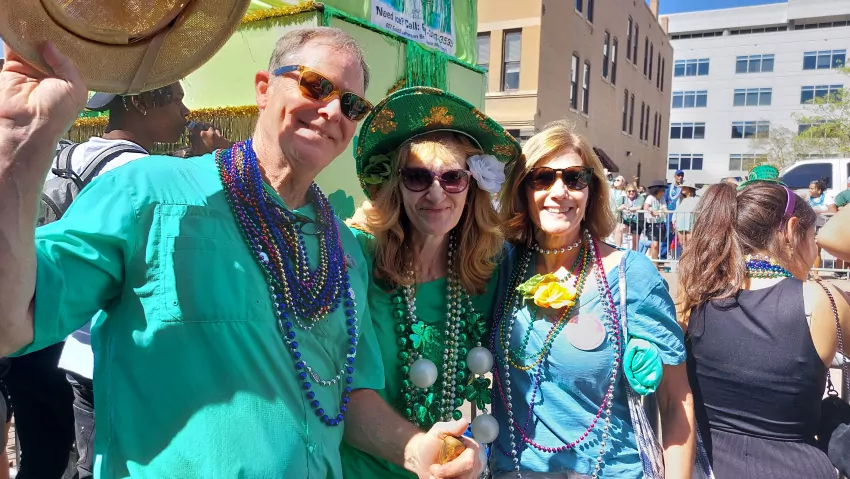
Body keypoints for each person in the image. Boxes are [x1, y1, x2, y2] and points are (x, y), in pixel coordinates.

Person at [0, 30, 480, 479]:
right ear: (264, 89)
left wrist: (415, 449)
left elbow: (350, 395)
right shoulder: (149, 193)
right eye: (315, 85)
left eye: (352, 104)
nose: (333, 110)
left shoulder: (344, 248)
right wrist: (16, 145)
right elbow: (12, 320)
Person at [490, 120, 695, 479]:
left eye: (575, 179)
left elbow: (675, 402)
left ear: (592, 191)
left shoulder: (632, 276)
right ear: (522, 189)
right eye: (542, 178)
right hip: (515, 471)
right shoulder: (501, 266)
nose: (559, 192)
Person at [341, 87, 520, 478]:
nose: (436, 193)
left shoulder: (486, 271)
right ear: (397, 185)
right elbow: (339, 389)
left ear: (471, 185)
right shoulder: (358, 257)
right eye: (418, 177)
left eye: (453, 177)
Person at [54, 84, 230, 479]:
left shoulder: (77, 155)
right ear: (140, 102)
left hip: (79, 347)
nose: (186, 111)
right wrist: (215, 163)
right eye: (176, 99)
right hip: (122, 359)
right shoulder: (137, 174)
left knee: (87, 460)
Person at [678, 165, 850, 479]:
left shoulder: (696, 294)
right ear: (792, 229)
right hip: (794, 470)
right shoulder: (819, 301)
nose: (817, 248)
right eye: (813, 237)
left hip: (706, 467)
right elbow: (837, 236)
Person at [644, 180, 668, 261]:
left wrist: (667, 212)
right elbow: (646, 207)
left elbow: (664, 208)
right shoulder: (650, 198)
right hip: (651, 223)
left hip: (660, 223)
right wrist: (651, 211)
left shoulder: (662, 199)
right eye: (661, 189)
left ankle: (655, 261)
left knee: (658, 244)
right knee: (654, 244)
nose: (663, 191)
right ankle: (655, 263)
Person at [672, 181, 698, 253]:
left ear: (690, 189)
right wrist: (673, 220)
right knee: (682, 243)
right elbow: (676, 211)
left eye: (684, 187)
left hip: (690, 223)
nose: (682, 188)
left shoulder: (696, 199)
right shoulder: (679, 200)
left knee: (690, 243)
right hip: (680, 223)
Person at [617, 184, 644, 251]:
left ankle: (633, 254)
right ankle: (617, 249)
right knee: (619, 230)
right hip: (626, 221)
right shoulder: (622, 199)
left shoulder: (640, 198)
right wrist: (620, 208)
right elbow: (616, 208)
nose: (631, 192)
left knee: (635, 244)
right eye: (629, 191)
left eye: (633, 191)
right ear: (626, 192)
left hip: (636, 222)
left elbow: (639, 207)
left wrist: (627, 208)